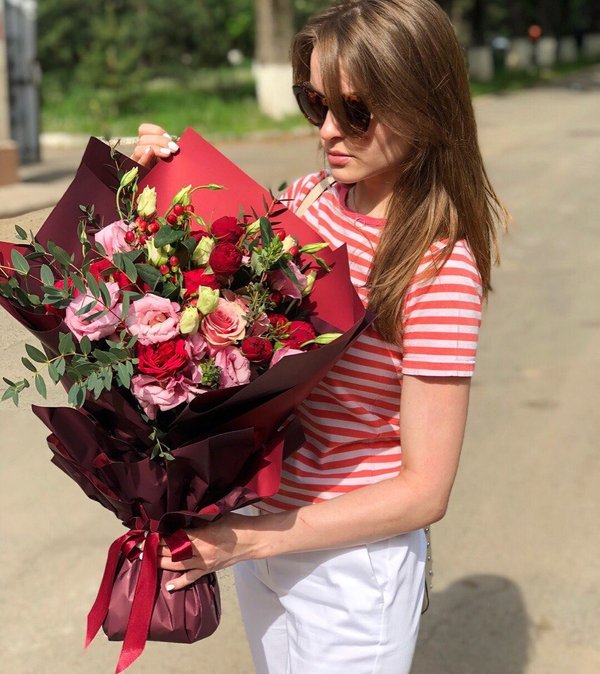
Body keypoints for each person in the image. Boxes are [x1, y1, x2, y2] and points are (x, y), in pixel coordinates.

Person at [131, 1, 508, 672]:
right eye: (315, 102)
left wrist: (250, 540)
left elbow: (424, 490)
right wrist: (157, 193)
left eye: (356, 112)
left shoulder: (437, 268)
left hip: (350, 571)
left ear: (422, 104)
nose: (329, 130)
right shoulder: (306, 199)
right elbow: (208, 308)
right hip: (262, 534)